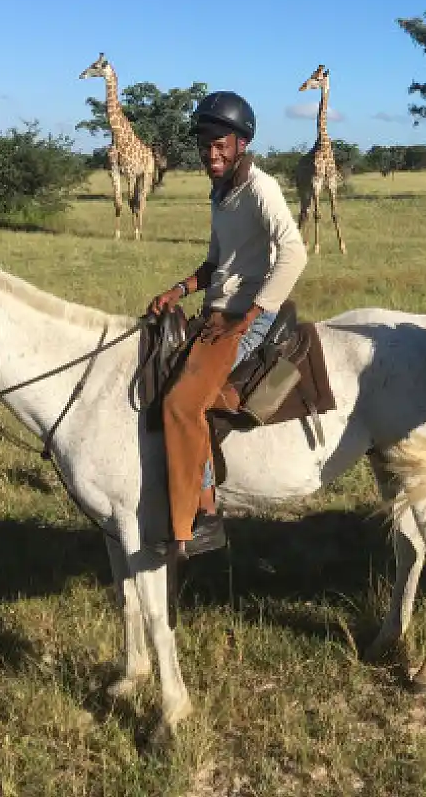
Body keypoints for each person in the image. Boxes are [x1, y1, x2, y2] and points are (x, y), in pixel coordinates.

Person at [147, 91, 309, 556]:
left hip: (247, 317)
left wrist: (256, 312)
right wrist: (179, 289)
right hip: (218, 312)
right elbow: (217, 261)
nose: (211, 153)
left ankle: (203, 518)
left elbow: (294, 252)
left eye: (221, 144)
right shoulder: (221, 193)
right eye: (205, 144)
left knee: (182, 403)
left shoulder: (261, 188)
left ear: (241, 143)